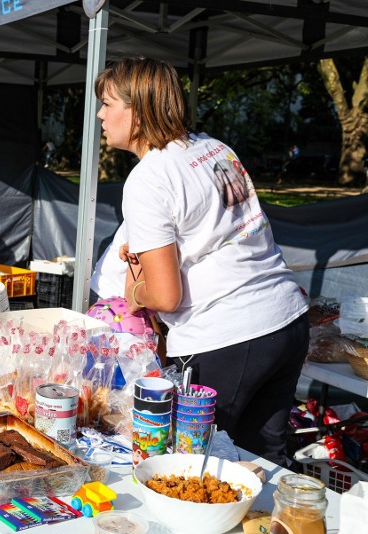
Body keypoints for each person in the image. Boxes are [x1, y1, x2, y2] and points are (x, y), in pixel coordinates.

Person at [95, 57, 308, 465]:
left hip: (226, 335)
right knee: (262, 462)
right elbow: (223, 231)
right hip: (285, 319)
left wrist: (133, 289)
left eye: (108, 104)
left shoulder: (148, 178)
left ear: (137, 113)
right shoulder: (214, 147)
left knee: (193, 463)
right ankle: (277, 531)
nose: (101, 115)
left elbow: (165, 297)